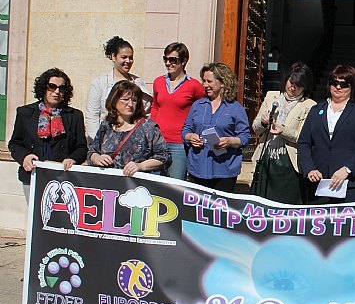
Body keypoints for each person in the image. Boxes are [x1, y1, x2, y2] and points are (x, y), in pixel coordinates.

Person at [297, 64, 355, 203]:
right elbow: (303, 142)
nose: (338, 87)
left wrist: (347, 169)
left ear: (352, 87)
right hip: (317, 184)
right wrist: (309, 169)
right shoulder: (316, 110)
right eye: (334, 83)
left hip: (348, 184)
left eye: (344, 84)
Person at [9, 68, 88, 199]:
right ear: (43, 88)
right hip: (33, 175)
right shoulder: (25, 113)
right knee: (35, 212)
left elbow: (82, 147)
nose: (57, 91)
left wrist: (72, 159)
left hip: (64, 178)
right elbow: (15, 143)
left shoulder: (75, 116)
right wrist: (24, 157)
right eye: (52, 86)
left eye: (61, 88)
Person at [251, 62, 316, 204]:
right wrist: (263, 122)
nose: (293, 88)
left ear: (305, 87)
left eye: (299, 85)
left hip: (289, 162)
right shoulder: (271, 97)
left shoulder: (309, 105)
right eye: (291, 82)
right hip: (266, 157)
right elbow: (255, 128)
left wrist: (283, 131)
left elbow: (304, 137)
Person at [182, 63, 251, 192]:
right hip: (198, 167)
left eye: (209, 81)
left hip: (224, 170)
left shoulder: (235, 108)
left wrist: (230, 141)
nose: (205, 85)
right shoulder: (197, 105)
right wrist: (190, 137)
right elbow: (186, 129)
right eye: (203, 81)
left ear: (223, 82)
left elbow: (245, 137)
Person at [88, 80, 170, 176]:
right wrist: (97, 158)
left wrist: (141, 166)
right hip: (108, 181)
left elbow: (164, 157)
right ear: (114, 100)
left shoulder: (148, 127)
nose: (130, 104)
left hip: (136, 182)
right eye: (125, 99)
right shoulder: (106, 125)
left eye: (134, 100)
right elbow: (93, 151)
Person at [151, 42, 204, 179]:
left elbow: (202, 110)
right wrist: (151, 130)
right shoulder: (158, 82)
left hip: (179, 144)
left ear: (184, 61)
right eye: (165, 59)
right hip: (158, 141)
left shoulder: (194, 86)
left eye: (173, 60)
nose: (168, 63)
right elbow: (155, 106)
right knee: (155, 184)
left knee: (175, 185)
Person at [85, 36, 151, 140]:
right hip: (107, 139)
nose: (128, 61)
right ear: (113, 57)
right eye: (124, 57)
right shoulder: (99, 83)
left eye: (131, 57)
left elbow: (145, 113)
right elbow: (92, 115)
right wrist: (98, 141)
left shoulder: (139, 82)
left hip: (134, 138)